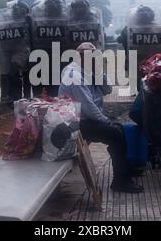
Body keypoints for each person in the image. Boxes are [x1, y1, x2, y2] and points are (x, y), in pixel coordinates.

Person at [59, 42, 144, 194]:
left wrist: (100, 72)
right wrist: (107, 121)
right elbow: (89, 109)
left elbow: (107, 89)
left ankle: (125, 169)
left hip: (87, 119)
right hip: (75, 123)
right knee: (115, 133)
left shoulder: (89, 71)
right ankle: (120, 181)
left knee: (120, 128)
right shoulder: (74, 76)